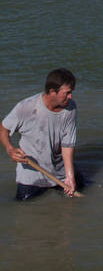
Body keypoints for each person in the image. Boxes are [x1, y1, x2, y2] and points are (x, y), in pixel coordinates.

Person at [1, 69, 82, 200]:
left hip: (60, 172)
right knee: (23, 206)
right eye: (66, 93)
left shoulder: (70, 108)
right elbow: (3, 129)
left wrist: (69, 176)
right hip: (32, 175)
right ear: (52, 91)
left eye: (71, 92)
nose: (70, 97)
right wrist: (10, 149)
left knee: (84, 194)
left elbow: (67, 146)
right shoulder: (25, 108)